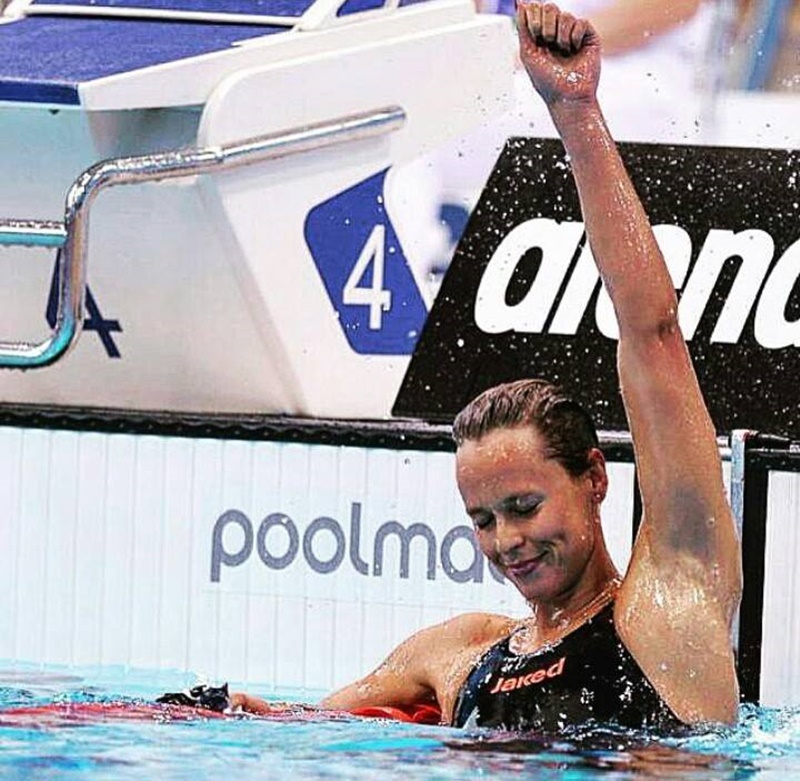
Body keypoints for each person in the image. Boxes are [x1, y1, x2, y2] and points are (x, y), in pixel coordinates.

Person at [232, 1, 742, 731]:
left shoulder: (670, 603)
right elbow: (297, 726)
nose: (508, 541)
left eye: (524, 506)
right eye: (483, 519)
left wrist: (575, 110)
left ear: (595, 477)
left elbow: (651, 330)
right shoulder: (463, 653)